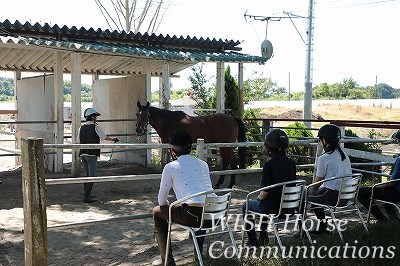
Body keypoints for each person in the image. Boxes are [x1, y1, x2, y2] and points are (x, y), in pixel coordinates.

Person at [152, 129, 213, 266]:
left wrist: (171, 206)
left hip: (193, 216)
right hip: (215, 214)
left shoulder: (170, 167)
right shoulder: (203, 164)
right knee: (200, 207)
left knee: (157, 212)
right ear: (190, 148)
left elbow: (161, 200)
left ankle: (167, 261)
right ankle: (199, 255)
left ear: (173, 151)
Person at [242, 129, 297, 247]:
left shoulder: (269, 164)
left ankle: (254, 239)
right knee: (265, 202)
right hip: (289, 207)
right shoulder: (291, 163)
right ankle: (263, 236)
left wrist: (258, 198)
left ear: (270, 146)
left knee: (247, 205)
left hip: (274, 208)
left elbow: (264, 193)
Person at [306, 123, 352, 233]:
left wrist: (306, 189)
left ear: (324, 140)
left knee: (304, 195)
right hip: (346, 197)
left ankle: (302, 229)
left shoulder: (324, 158)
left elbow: (315, 185)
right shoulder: (344, 155)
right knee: (316, 195)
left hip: (333, 197)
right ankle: (322, 226)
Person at [357, 130, 400, 221]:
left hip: (398, 193)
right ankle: (393, 219)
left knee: (361, 193)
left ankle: (382, 220)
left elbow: (391, 183)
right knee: (384, 192)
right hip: (395, 191)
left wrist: (376, 186)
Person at [78, 107, 118, 203]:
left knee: (88, 175)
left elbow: (78, 141)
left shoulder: (81, 128)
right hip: (92, 154)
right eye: (95, 116)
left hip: (83, 153)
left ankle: (87, 194)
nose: (96, 118)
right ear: (92, 117)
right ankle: (86, 196)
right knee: (93, 175)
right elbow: (104, 137)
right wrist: (114, 139)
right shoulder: (95, 127)